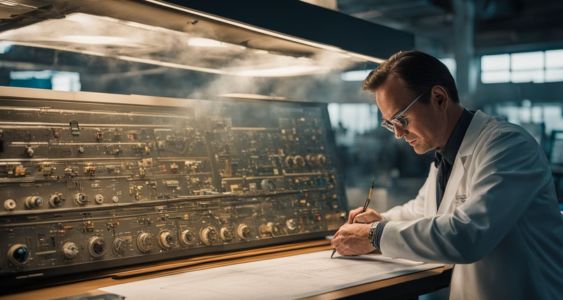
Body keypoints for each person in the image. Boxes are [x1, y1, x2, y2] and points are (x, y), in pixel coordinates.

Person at [331, 50, 563, 300]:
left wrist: (375, 235)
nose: (398, 133)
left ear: (439, 98)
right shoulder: (446, 155)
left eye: (402, 119)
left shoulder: (508, 145)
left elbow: (468, 236)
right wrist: (379, 219)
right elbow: (421, 212)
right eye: (390, 124)